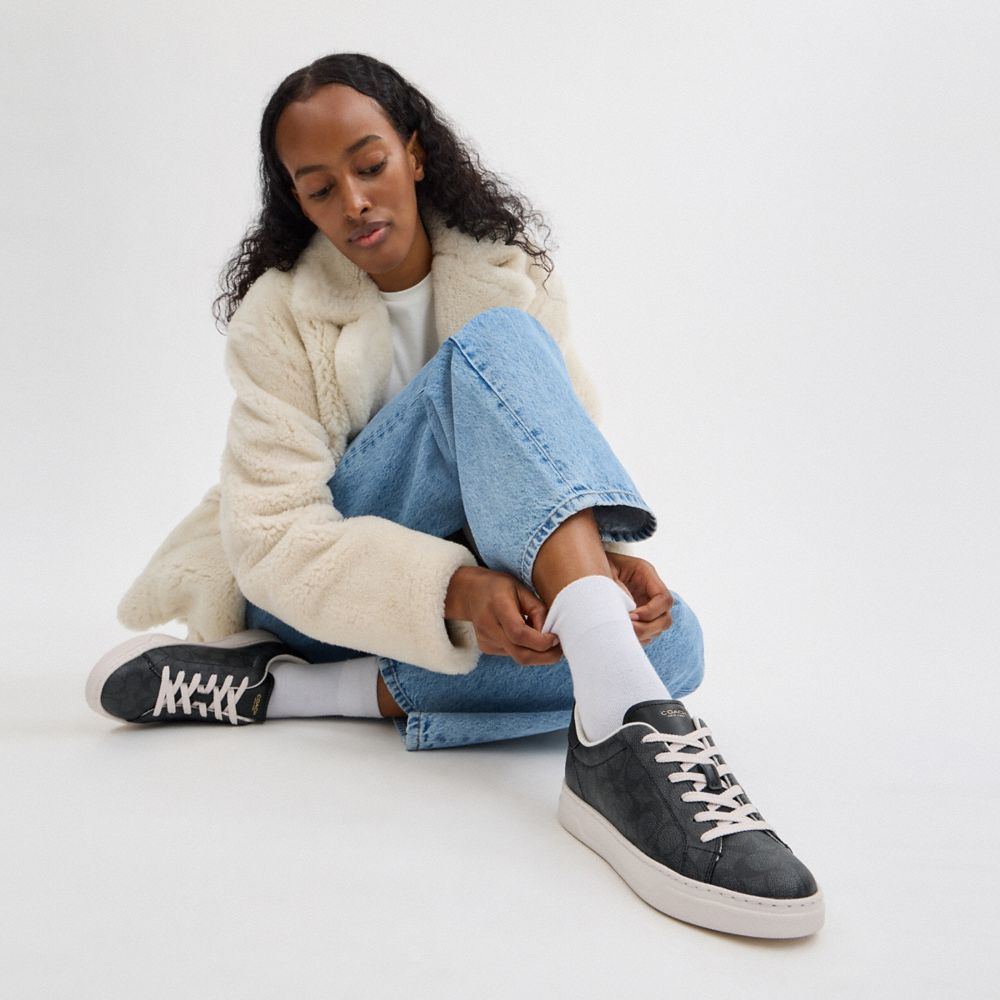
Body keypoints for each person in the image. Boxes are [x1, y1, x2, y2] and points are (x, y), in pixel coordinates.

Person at [85, 52, 824, 938]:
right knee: (495, 349)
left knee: (677, 644)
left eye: (370, 165)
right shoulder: (277, 318)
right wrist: (455, 592)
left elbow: (549, 456)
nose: (354, 202)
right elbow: (276, 541)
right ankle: (618, 741)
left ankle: (296, 694)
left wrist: (602, 563)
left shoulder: (511, 275)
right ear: (298, 203)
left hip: (466, 593)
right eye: (319, 188)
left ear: (415, 152)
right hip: (313, 594)